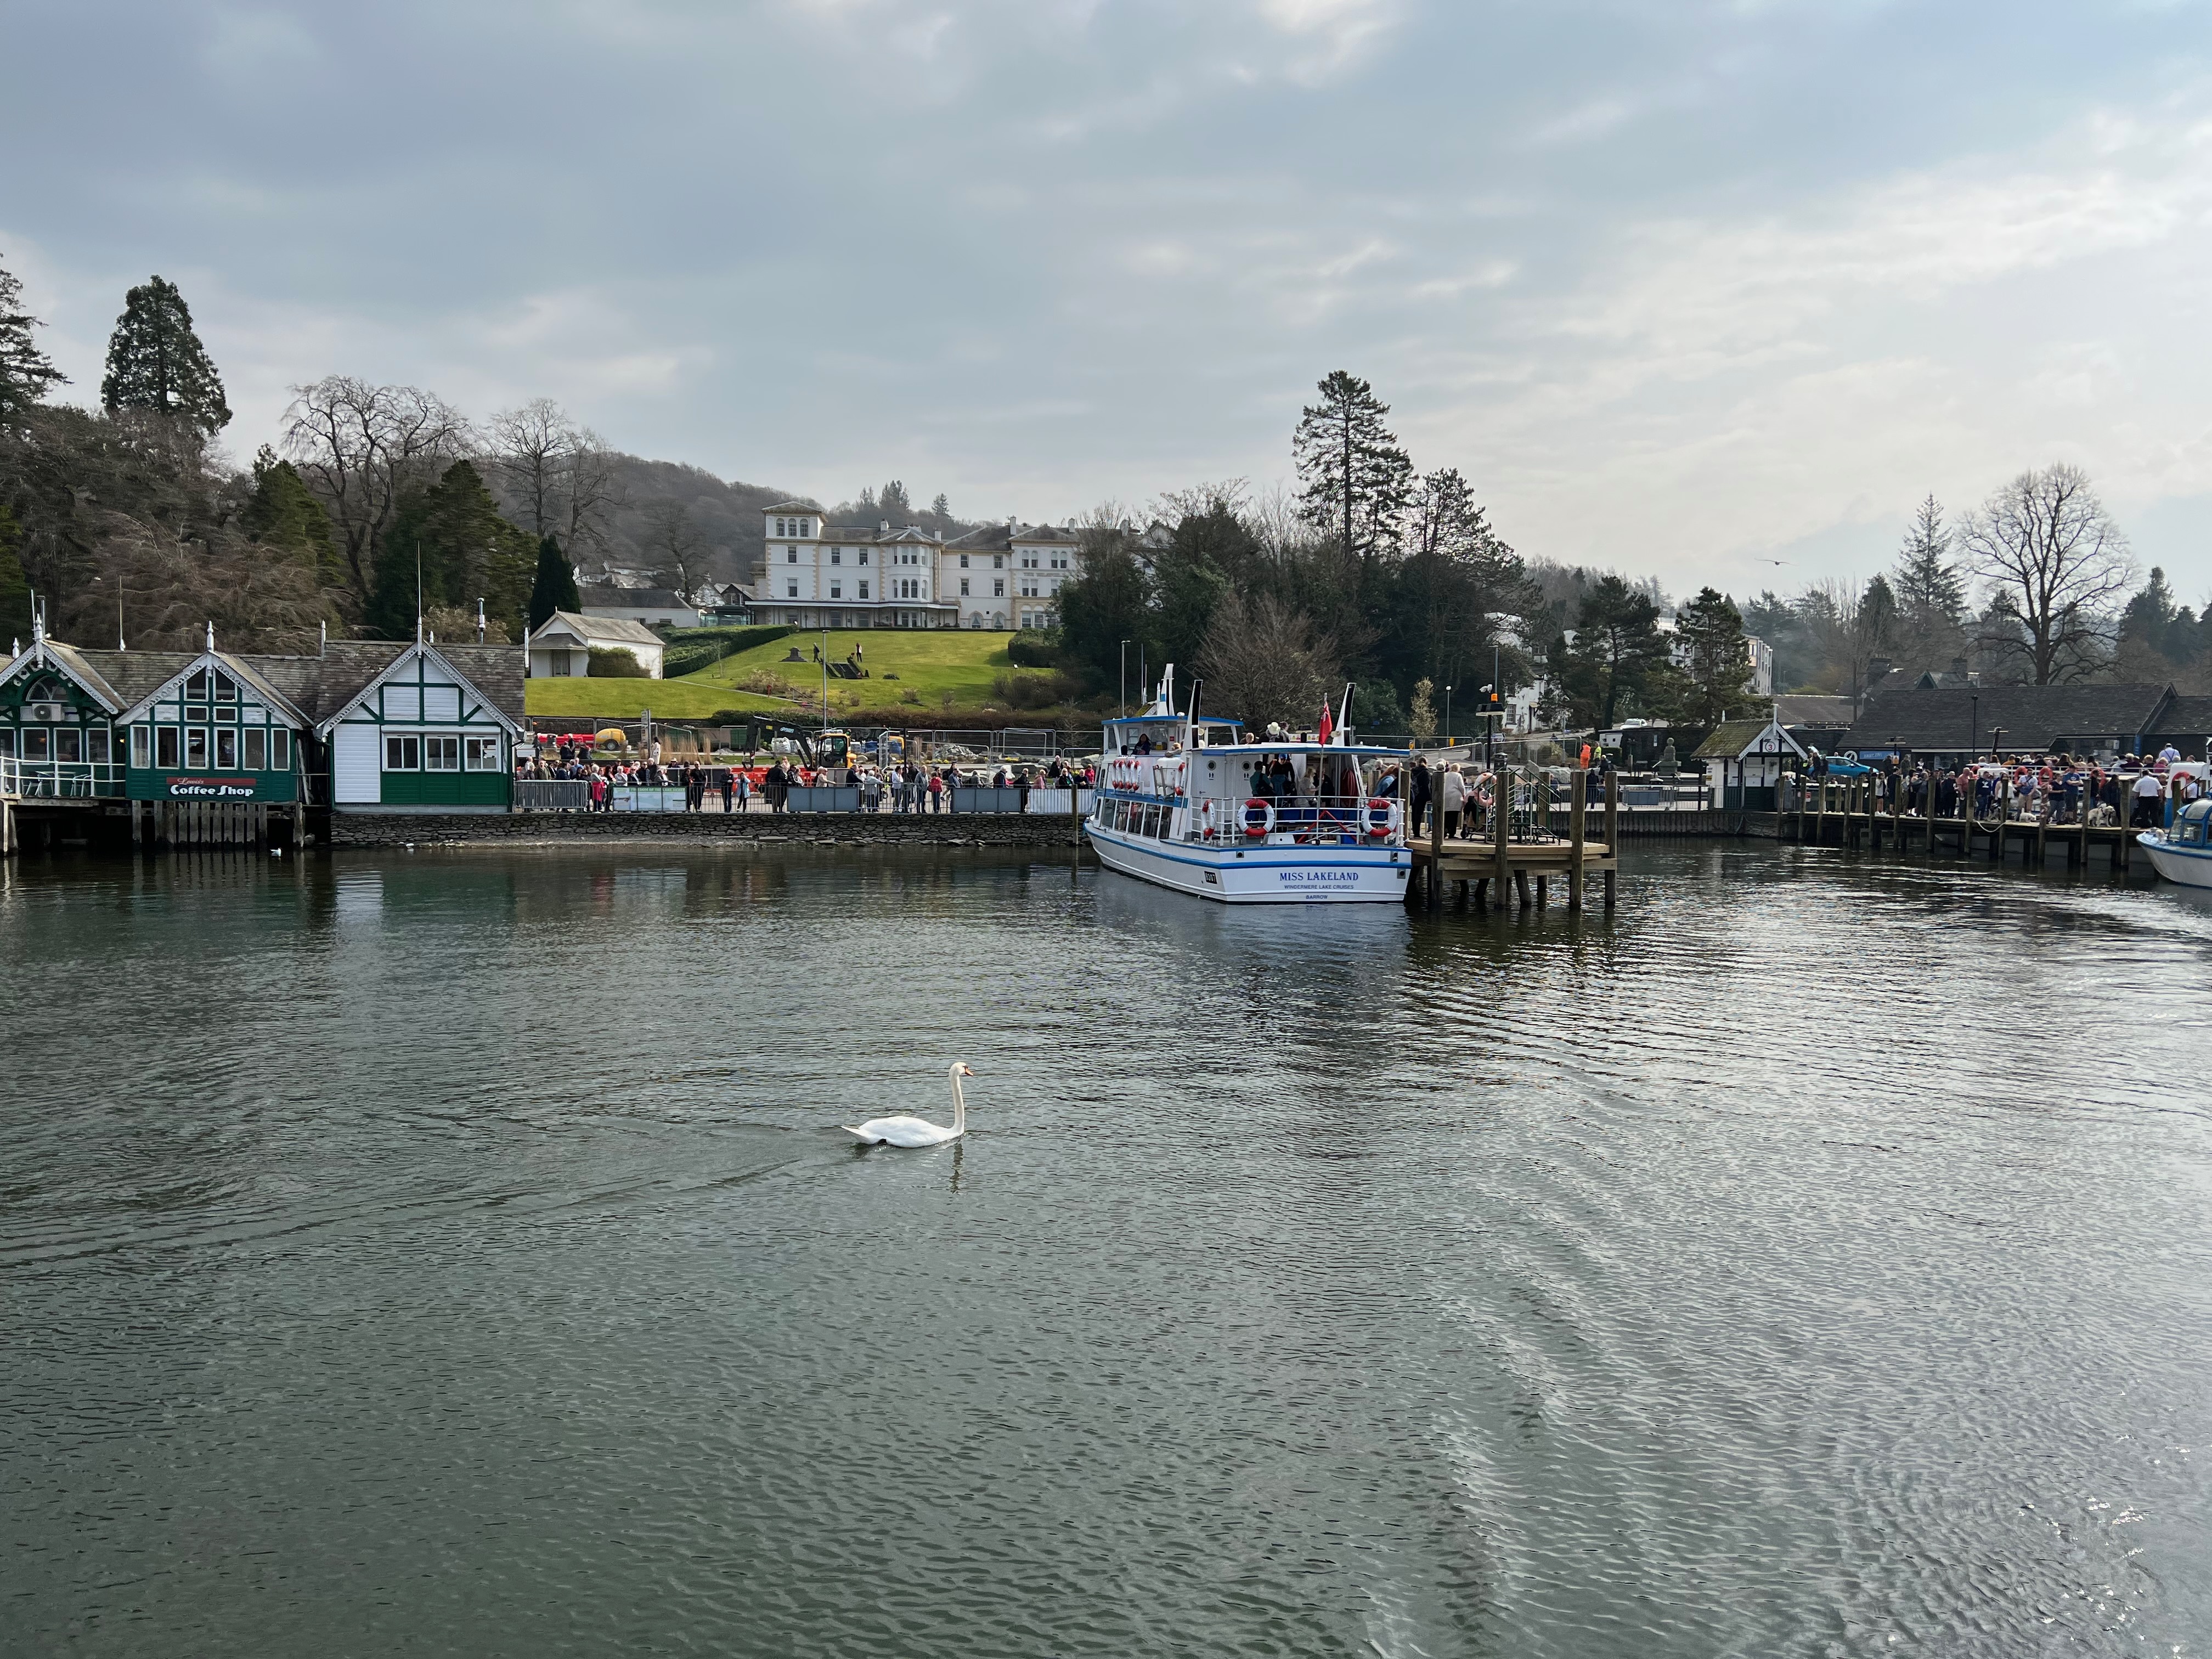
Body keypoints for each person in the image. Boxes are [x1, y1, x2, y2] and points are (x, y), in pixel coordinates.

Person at [1440, 762, 1467, 839]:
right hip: (1455, 796)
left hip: (1445, 795)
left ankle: (1444, 831)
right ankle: (1452, 833)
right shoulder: (1458, 775)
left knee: (1446, 815)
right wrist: (1464, 795)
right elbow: (1461, 787)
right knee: (1454, 816)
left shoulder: (1445, 775)